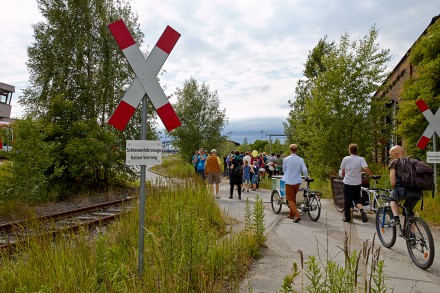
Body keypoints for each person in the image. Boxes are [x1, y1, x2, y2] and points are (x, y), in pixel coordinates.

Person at [388, 145, 422, 226]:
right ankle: (412, 236)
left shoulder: (394, 162)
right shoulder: (413, 162)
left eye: (390, 154)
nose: (389, 156)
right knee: (409, 213)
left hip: (402, 191)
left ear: (396, 154)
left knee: (392, 199)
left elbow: (393, 182)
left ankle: (396, 218)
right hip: (417, 191)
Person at [340, 143, 374, 223]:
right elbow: (365, 169)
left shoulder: (346, 159)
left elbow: (343, 170)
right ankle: (361, 210)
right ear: (356, 151)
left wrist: (344, 176)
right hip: (357, 183)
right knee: (357, 199)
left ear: (349, 150)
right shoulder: (361, 159)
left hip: (347, 182)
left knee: (347, 201)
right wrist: (372, 175)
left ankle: (347, 218)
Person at [282, 144, 308, 222]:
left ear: (290, 150)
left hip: (289, 181)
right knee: (293, 198)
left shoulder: (286, 159)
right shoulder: (300, 159)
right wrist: (306, 177)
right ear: (297, 150)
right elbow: (305, 170)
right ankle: (291, 214)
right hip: (297, 182)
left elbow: (283, 170)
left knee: (289, 199)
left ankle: (296, 215)